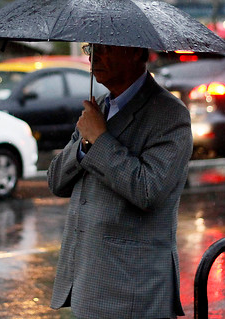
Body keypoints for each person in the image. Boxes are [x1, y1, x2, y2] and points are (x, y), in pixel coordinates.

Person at [48, 43, 193, 319]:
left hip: (135, 295)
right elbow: (56, 181)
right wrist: (85, 144)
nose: (94, 56)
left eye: (105, 48)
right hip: (86, 286)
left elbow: (148, 190)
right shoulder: (99, 106)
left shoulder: (170, 115)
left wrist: (100, 139)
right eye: (91, 47)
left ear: (138, 53)